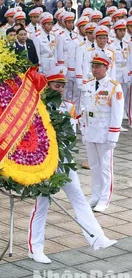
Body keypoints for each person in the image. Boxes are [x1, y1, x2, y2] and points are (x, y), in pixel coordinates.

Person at [27, 66, 117, 264]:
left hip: (65, 161)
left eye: (62, 86)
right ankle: (35, 248)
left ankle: (97, 238)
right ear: (47, 86)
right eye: (56, 85)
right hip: (45, 162)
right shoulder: (37, 107)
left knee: (79, 199)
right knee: (42, 205)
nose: (60, 89)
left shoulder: (68, 107)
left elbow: (71, 134)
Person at [81, 50, 124, 213]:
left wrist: (113, 136)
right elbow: (85, 109)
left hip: (105, 133)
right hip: (91, 131)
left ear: (106, 68)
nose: (95, 69)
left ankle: (105, 198)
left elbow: (117, 114)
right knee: (94, 166)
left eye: (98, 66)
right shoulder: (89, 84)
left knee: (105, 167)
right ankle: (95, 195)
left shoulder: (114, 86)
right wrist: (84, 130)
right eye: (93, 66)